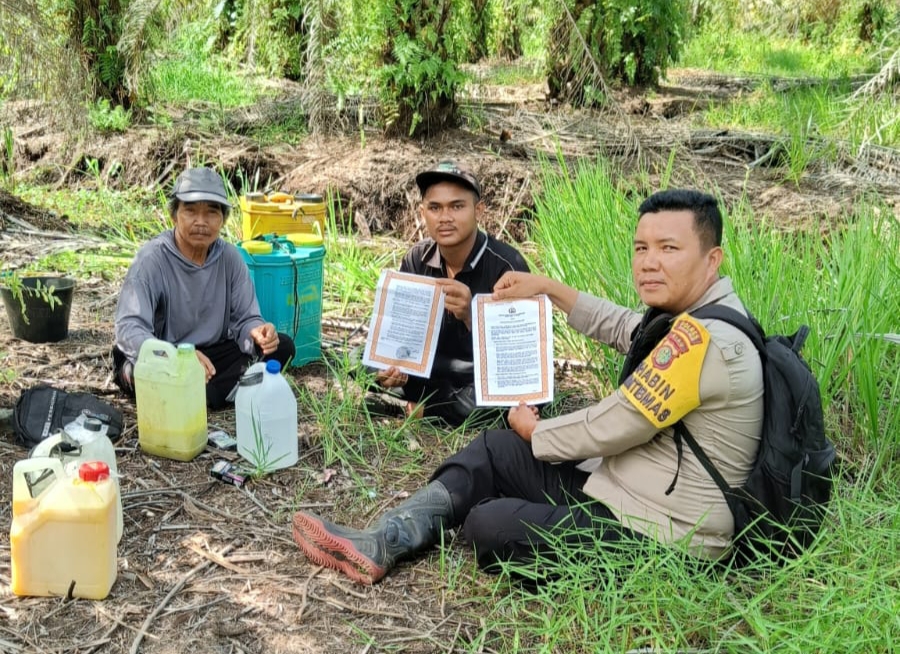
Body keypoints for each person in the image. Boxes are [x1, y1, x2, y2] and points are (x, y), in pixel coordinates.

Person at [292, 189, 764, 584]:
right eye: (641, 248)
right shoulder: (686, 317)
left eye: (669, 248)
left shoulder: (706, 341)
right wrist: (549, 289)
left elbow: (618, 422)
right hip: (625, 485)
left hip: (668, 532)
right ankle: (386, 538)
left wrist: (538, 433)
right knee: (494, 450)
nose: (649, 263)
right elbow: (623, 325)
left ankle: (468, 522)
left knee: (488, 524)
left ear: (712, 259)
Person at [112, 167, 295, 409]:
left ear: (223, 219)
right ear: (174, 216)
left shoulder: (230, 258)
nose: (201, 222)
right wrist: (178, 358)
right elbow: (129, 328)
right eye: (190, 211)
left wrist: (258, 333)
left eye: (211, 213)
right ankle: (222, 392)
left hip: (211, 353)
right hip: (164, 355)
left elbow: (246, 319)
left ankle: (207, 395)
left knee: (283, 346)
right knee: (144, 373)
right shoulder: (152, 260)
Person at [365, 160, 530, 426]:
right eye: (434, 208)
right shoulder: (417, 259)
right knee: (361, 357)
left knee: (502, 403)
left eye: (457, 206)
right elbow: (404, 337)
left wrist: (471, 315)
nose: (445, 217)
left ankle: (412, 408)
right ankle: (412, 399)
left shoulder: (508, 267)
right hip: (432, 369)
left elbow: (516, 357)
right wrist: (392, 368)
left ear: (479, 211)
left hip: (477, 376)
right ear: (422, 213)